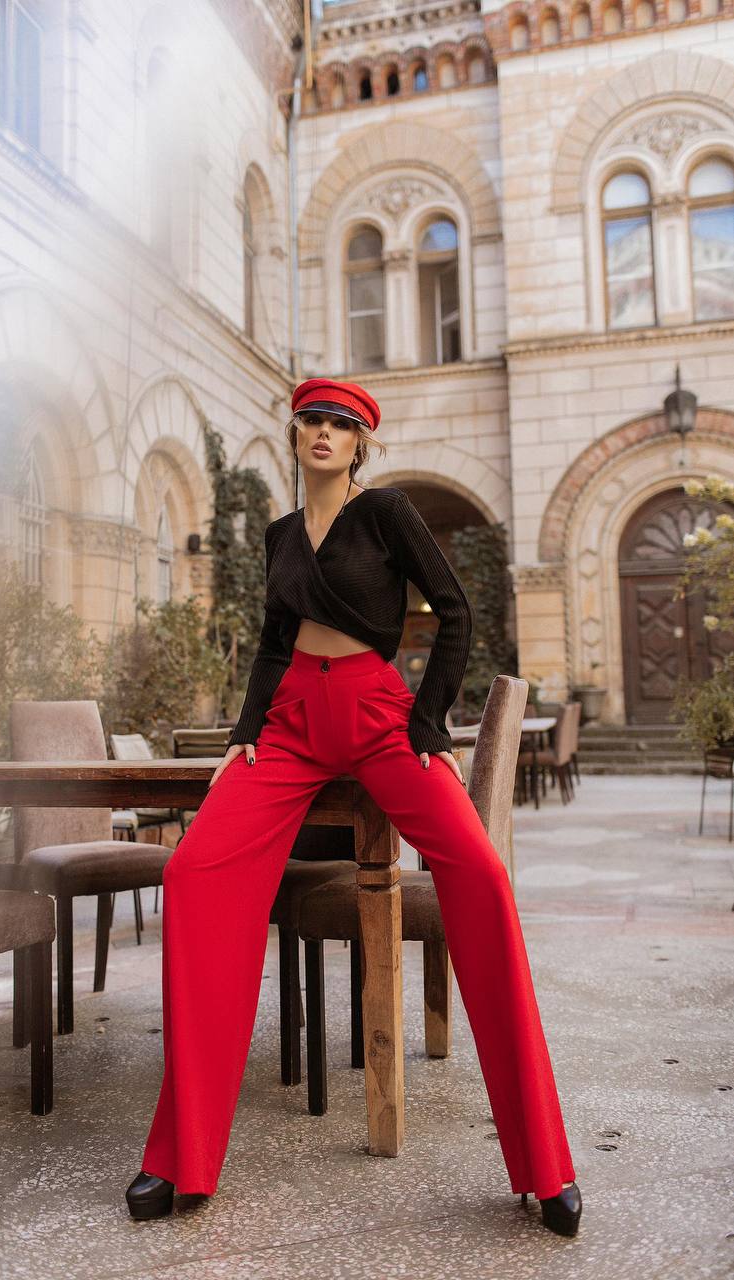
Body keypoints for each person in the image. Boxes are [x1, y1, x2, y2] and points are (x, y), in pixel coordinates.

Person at [125, 377, 582, 1237]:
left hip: (379, 716)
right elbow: (270, 639)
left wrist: (427, 716)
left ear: (361, 442)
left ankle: (542, 1164)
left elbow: (453, 611)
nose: (325, 434)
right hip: (292, 721)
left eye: (342, 424)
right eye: (312, 422)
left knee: (480, 873)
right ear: (294, 434)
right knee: (192, 873)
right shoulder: (278, 535)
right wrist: (243, 731)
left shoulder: (388, 514)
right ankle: (177, 1156)